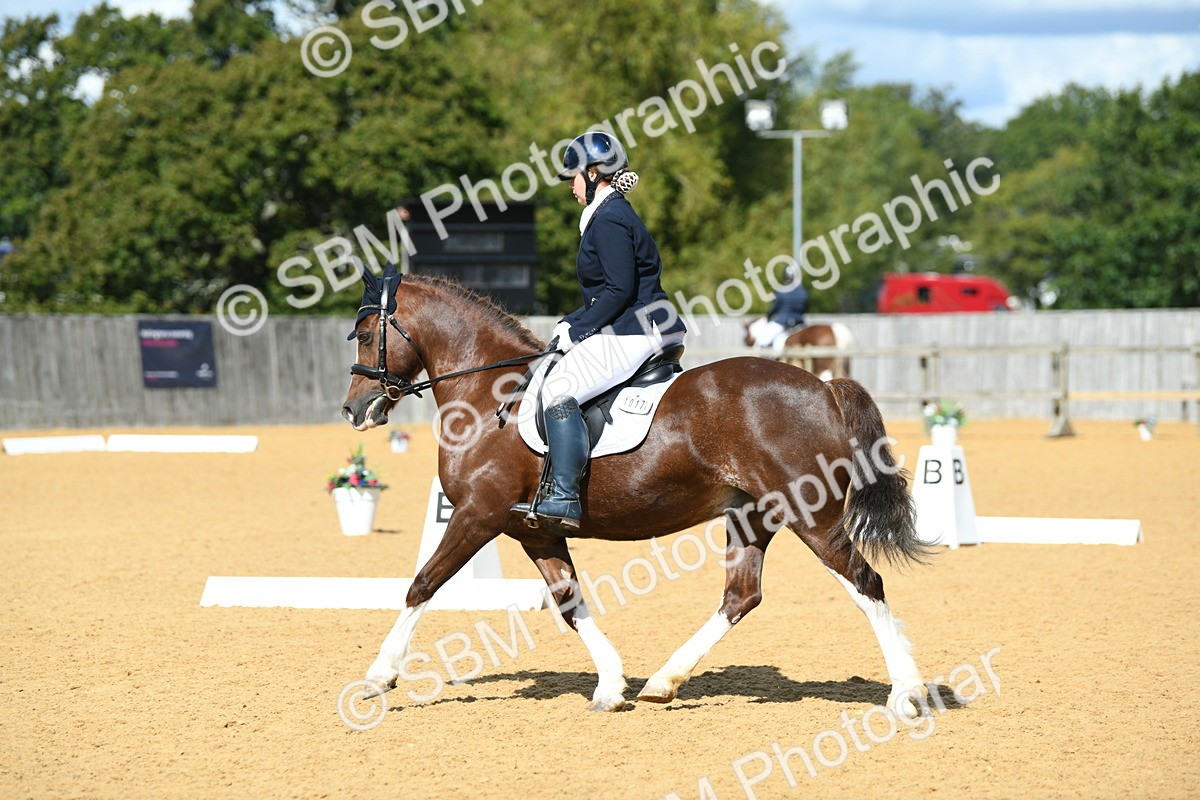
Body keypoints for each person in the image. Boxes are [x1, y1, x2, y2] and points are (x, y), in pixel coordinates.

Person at [512, 131, 687, 529]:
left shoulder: (609, 219)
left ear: (593, 173)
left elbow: (619, 289)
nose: (570, 187)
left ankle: (565, 496)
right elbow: (609, 291)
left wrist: (579, 328)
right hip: (638, 326)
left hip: (635, 330)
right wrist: (573, 321)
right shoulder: (610, 214)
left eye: (573, 177)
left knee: (558, 390)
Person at [748, 265, 809, 351]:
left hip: (782, 322)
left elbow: (775, 309)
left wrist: (768, 317)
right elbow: (805, 308)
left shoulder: (782, 291)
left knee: (761, 342)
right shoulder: (803, 292)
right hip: (799, 323)